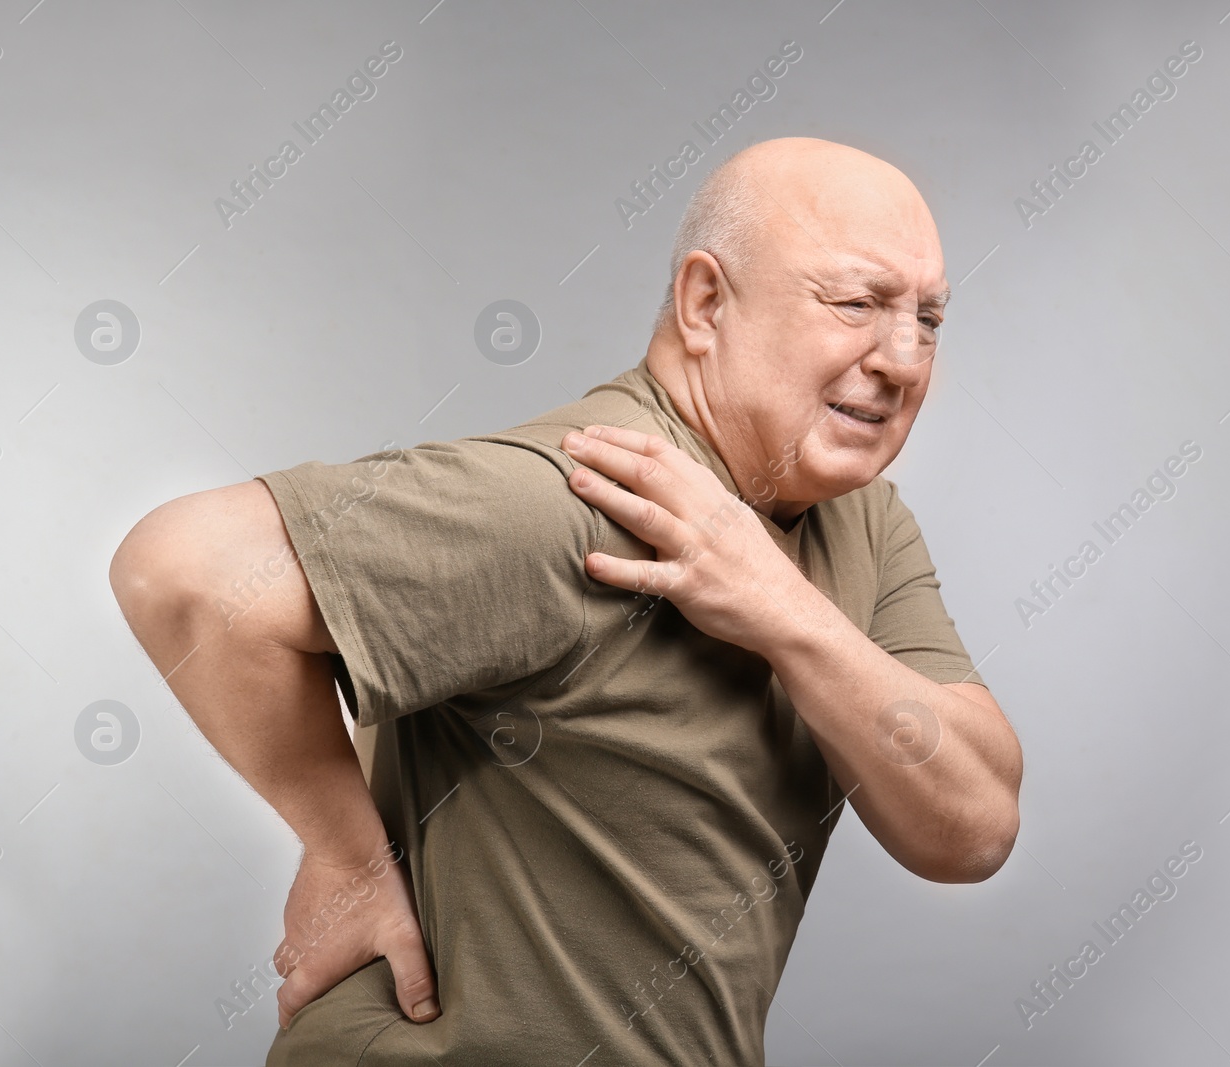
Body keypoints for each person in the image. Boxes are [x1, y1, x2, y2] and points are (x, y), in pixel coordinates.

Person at [110, 136, 1023, 1065]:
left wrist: (779, 608)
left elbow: (974, 826)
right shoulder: (579, 500)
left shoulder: (858, 520)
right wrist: (348, 856)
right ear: (706, 303)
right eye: (857, 303)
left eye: (930, 317)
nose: (904, 358)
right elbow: (179, 571)